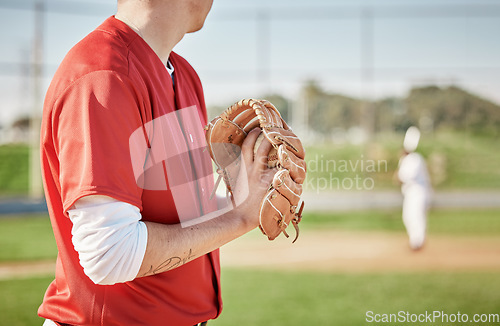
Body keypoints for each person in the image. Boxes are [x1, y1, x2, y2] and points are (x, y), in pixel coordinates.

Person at [38, 1, 276, 325]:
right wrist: (241, 218)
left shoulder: (185, 75)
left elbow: (183, 208)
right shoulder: (103, 76)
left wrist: (250, 195)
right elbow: (110, 255)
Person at [396, 126, 432, 250]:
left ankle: (418, 241)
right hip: (410, 193)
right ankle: (415, 240)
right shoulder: (405, 160)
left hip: (418, 193)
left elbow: (403, 177)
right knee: (408, 216)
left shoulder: (415, 159)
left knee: (416, 216)